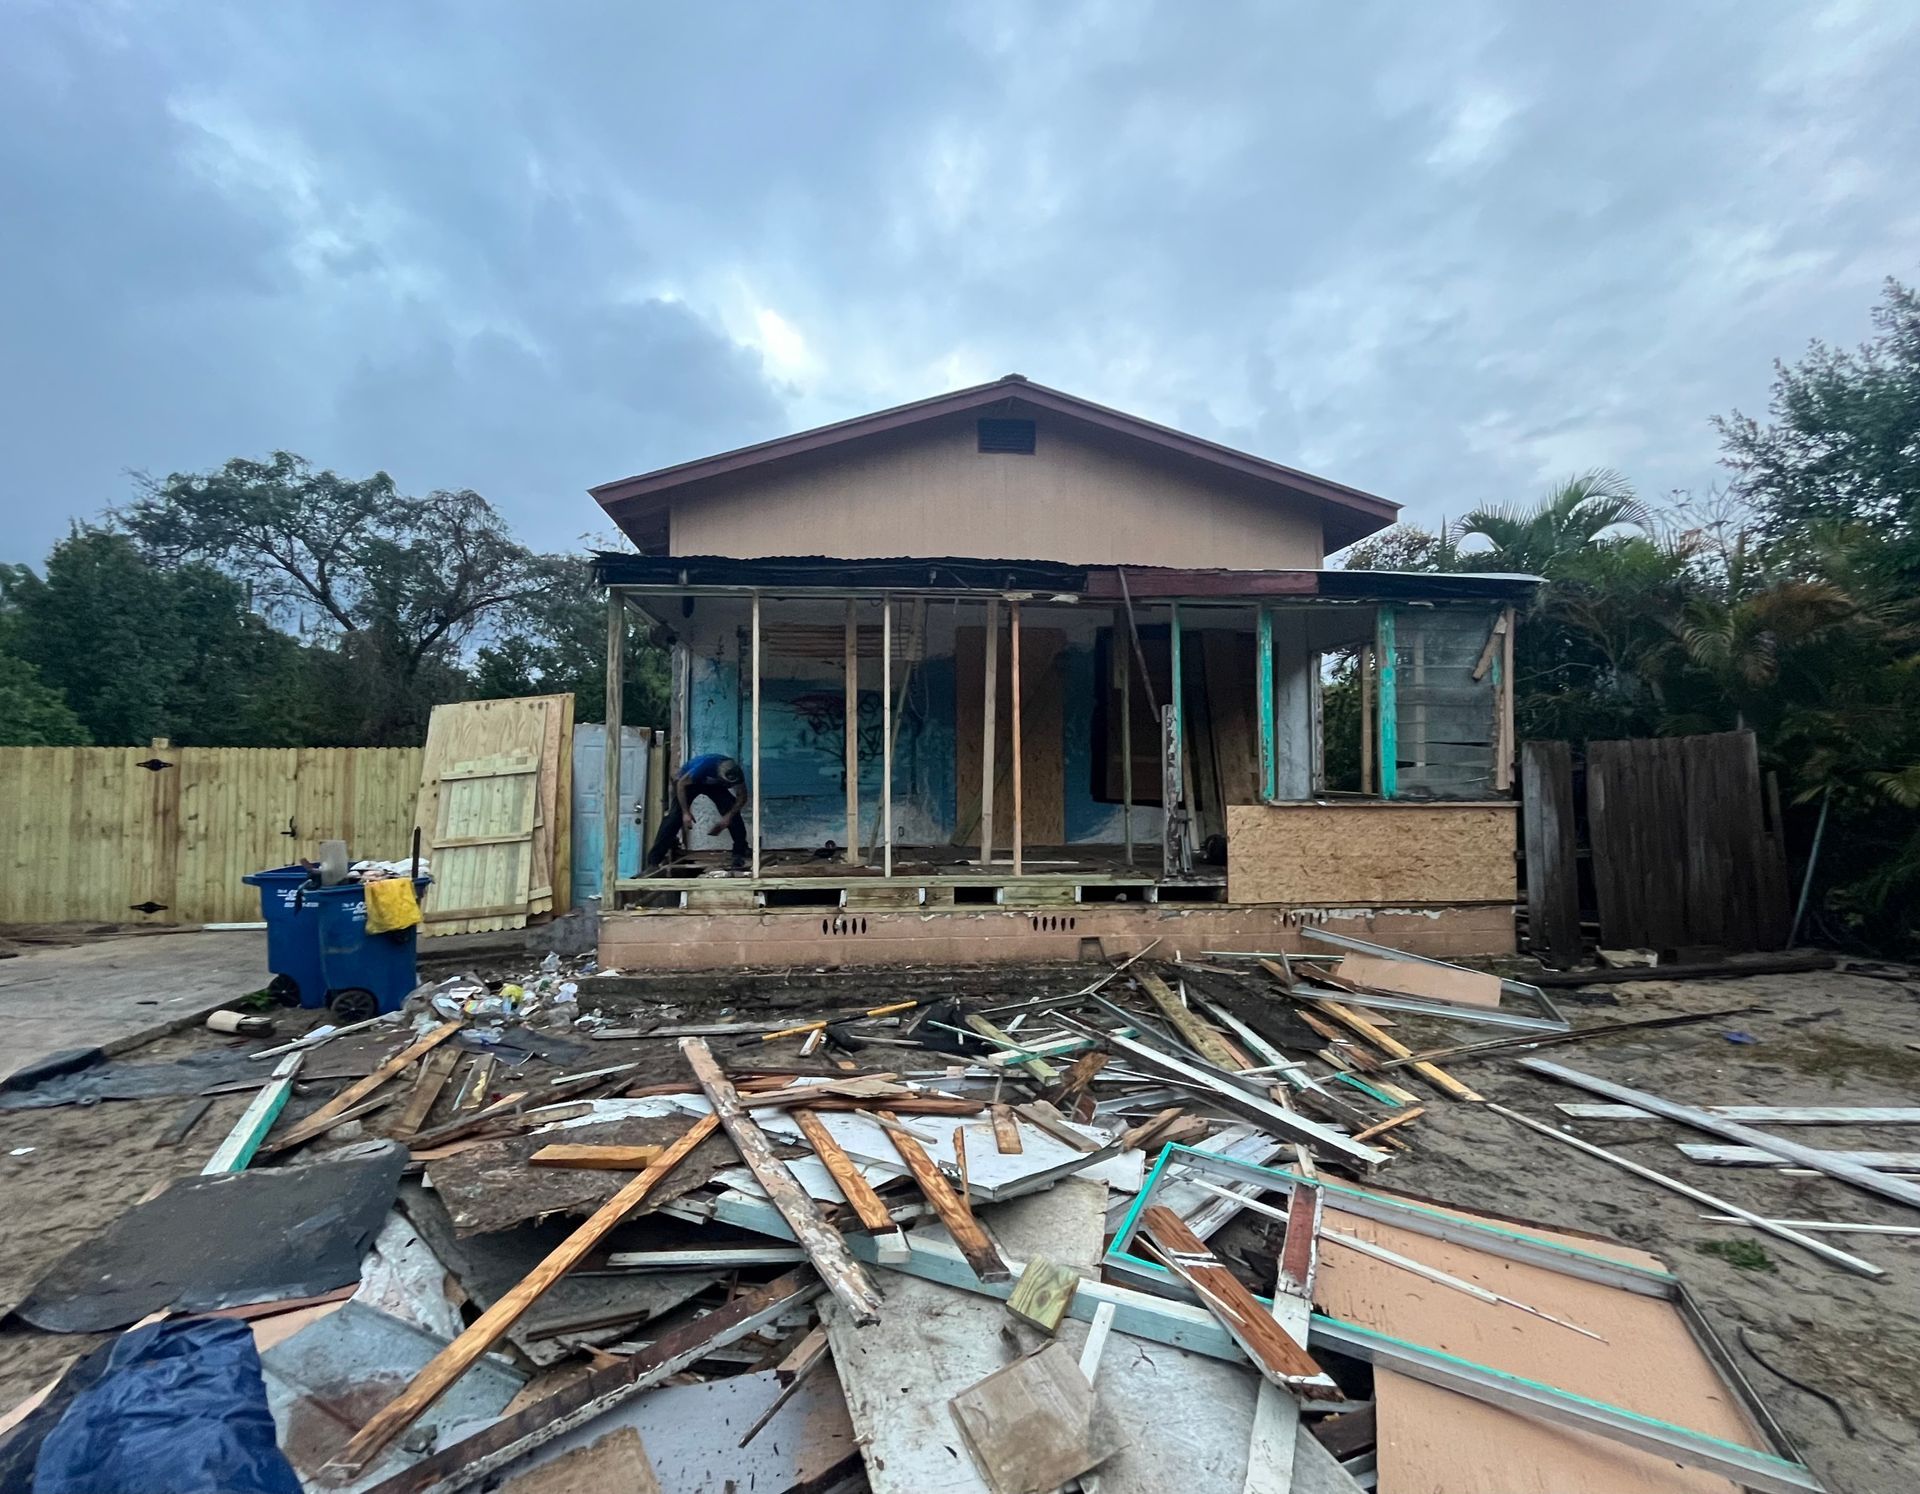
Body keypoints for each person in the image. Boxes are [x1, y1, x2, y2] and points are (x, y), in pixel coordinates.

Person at [645, 753, 750, 871]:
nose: (729, 785)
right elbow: (681, 785)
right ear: (719, 774)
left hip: (715, 786)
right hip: (690, 784)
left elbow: (742, 797)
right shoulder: (703, 768)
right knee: (674, 818)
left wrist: (728, 817)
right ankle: (654, 861)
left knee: (732, 812)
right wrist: (685, 812)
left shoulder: (737, 773)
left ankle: (740, 851)